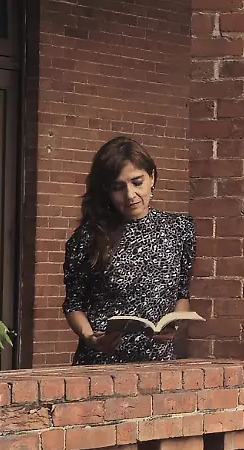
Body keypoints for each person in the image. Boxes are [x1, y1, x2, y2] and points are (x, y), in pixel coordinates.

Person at [63, 136, 195, 365]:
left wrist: (174, 326)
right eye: (118, 187)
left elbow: (182, 295)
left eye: (137, 182)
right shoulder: (89, 237)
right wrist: (90, 338)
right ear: (107, 191)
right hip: (101, 362)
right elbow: (73, 304)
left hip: (158, 363)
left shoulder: (180, 229)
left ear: (152, 177)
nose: (130, 195)